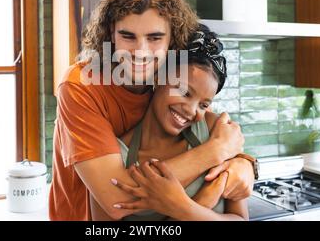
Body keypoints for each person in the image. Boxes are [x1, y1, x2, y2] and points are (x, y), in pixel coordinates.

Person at [49, 0, 255, 221]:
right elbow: (118, 200)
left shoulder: (166, 79)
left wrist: (245, 163)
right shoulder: (81, 85)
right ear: (110, 33)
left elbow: (210, 120)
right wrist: (216, 151)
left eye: (155, 38)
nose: (141, 52)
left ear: (173, 42)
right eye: (128, 36)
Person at [90, 25, 248, 221]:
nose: (191, 111)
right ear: (158, 76)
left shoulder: (216, 130)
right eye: (183, 91)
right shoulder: (114, 160)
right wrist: (205, 198)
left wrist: (183, 208)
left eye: (203, 104)